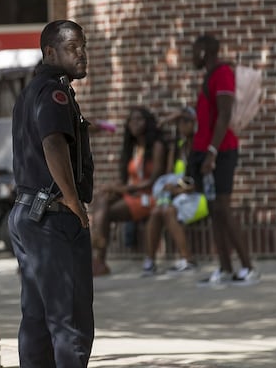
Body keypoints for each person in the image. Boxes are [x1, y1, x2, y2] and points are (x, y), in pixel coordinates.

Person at [8, 20, 95, 367]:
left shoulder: (31, 90)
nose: (82, 54)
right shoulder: (54, 92)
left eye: (83, 46)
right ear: (50, 52)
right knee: (70, 322)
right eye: (73, 47)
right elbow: (53, 142)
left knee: (38, 318)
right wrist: (74, 201)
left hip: (29, 213)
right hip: (54, 217)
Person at [190, 34, 259, 286]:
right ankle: (226, 268)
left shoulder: (222, 74)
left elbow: (225, 114)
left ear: (206, 51)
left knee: (224, 208)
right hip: (207, 152)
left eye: (195, 50)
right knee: (214, 210)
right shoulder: (209, 75)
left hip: (220, 151)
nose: (191, 55)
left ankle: (249, 268)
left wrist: (212, 152)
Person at [90, 106, 167, 276]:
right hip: (132, 195)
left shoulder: (157, 146)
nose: (134, 123)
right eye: (131, 120)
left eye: (139, 119)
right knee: (102, 197)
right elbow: (126, 179)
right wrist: (114, 188)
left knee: (106, 212)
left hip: (150, 196)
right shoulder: (132, 148)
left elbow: (153, 180)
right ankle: (98, 249)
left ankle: (98, 253)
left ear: (148, 122)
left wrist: (124, 188)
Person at [142, 106, 208, 276]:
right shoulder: (180, 146)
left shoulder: (202, 146)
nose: (181, 126)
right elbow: (171, 174)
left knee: (169, 211)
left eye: (184, 121)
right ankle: (150, 262)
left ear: (194, 123)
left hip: (201, 196)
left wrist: (179, 190)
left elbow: (202, 183)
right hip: (183, 195)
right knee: (157, 211)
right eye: (178, 123)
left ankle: (188, 259)